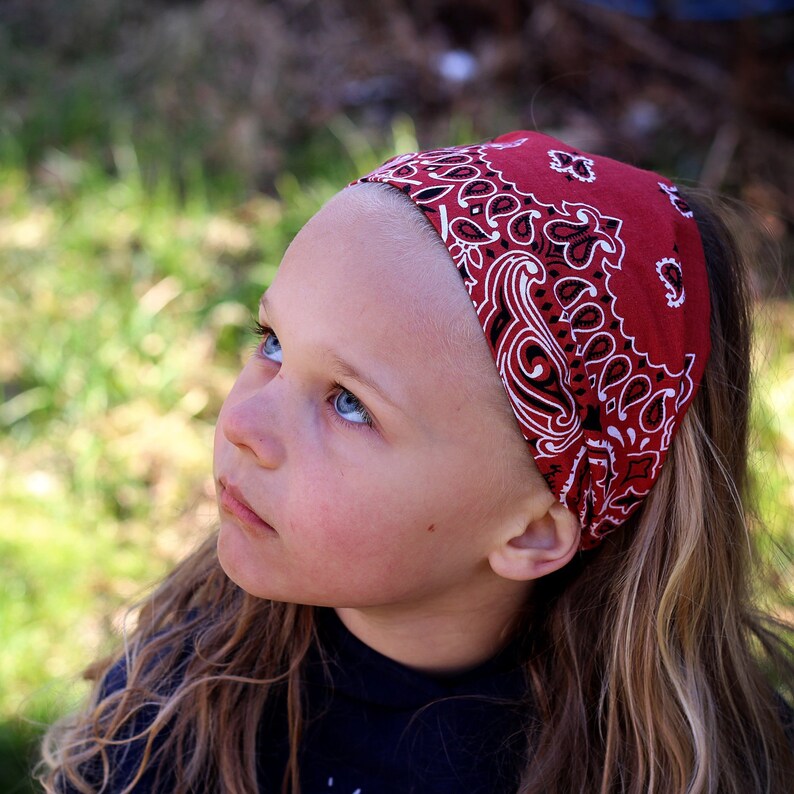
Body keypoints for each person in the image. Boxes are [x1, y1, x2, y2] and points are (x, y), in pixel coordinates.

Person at [39, 131, 794, 793]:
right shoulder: (179, 702)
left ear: (531, 529)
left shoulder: (695, 769)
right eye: (272, 343)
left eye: (350, 404)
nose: (240, 422)